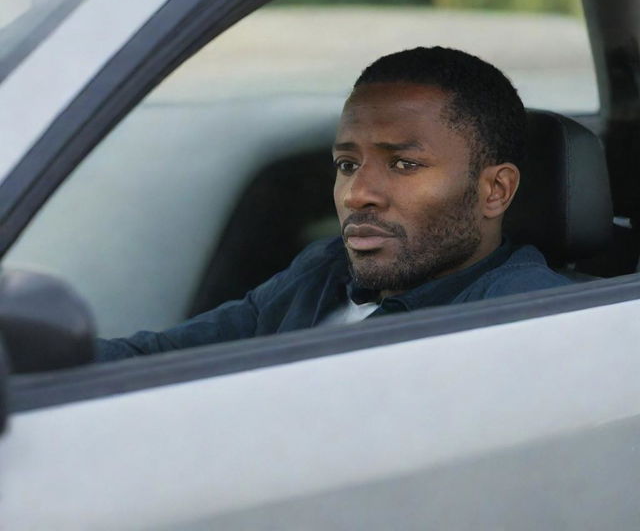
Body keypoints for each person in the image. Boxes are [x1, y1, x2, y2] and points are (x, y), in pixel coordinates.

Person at [96, 46, 570, 360]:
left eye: (403, 165)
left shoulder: (521, 319)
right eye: (347, 164)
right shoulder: (323, 271)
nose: (356, 194)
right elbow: (163, 360)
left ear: (495, 191)